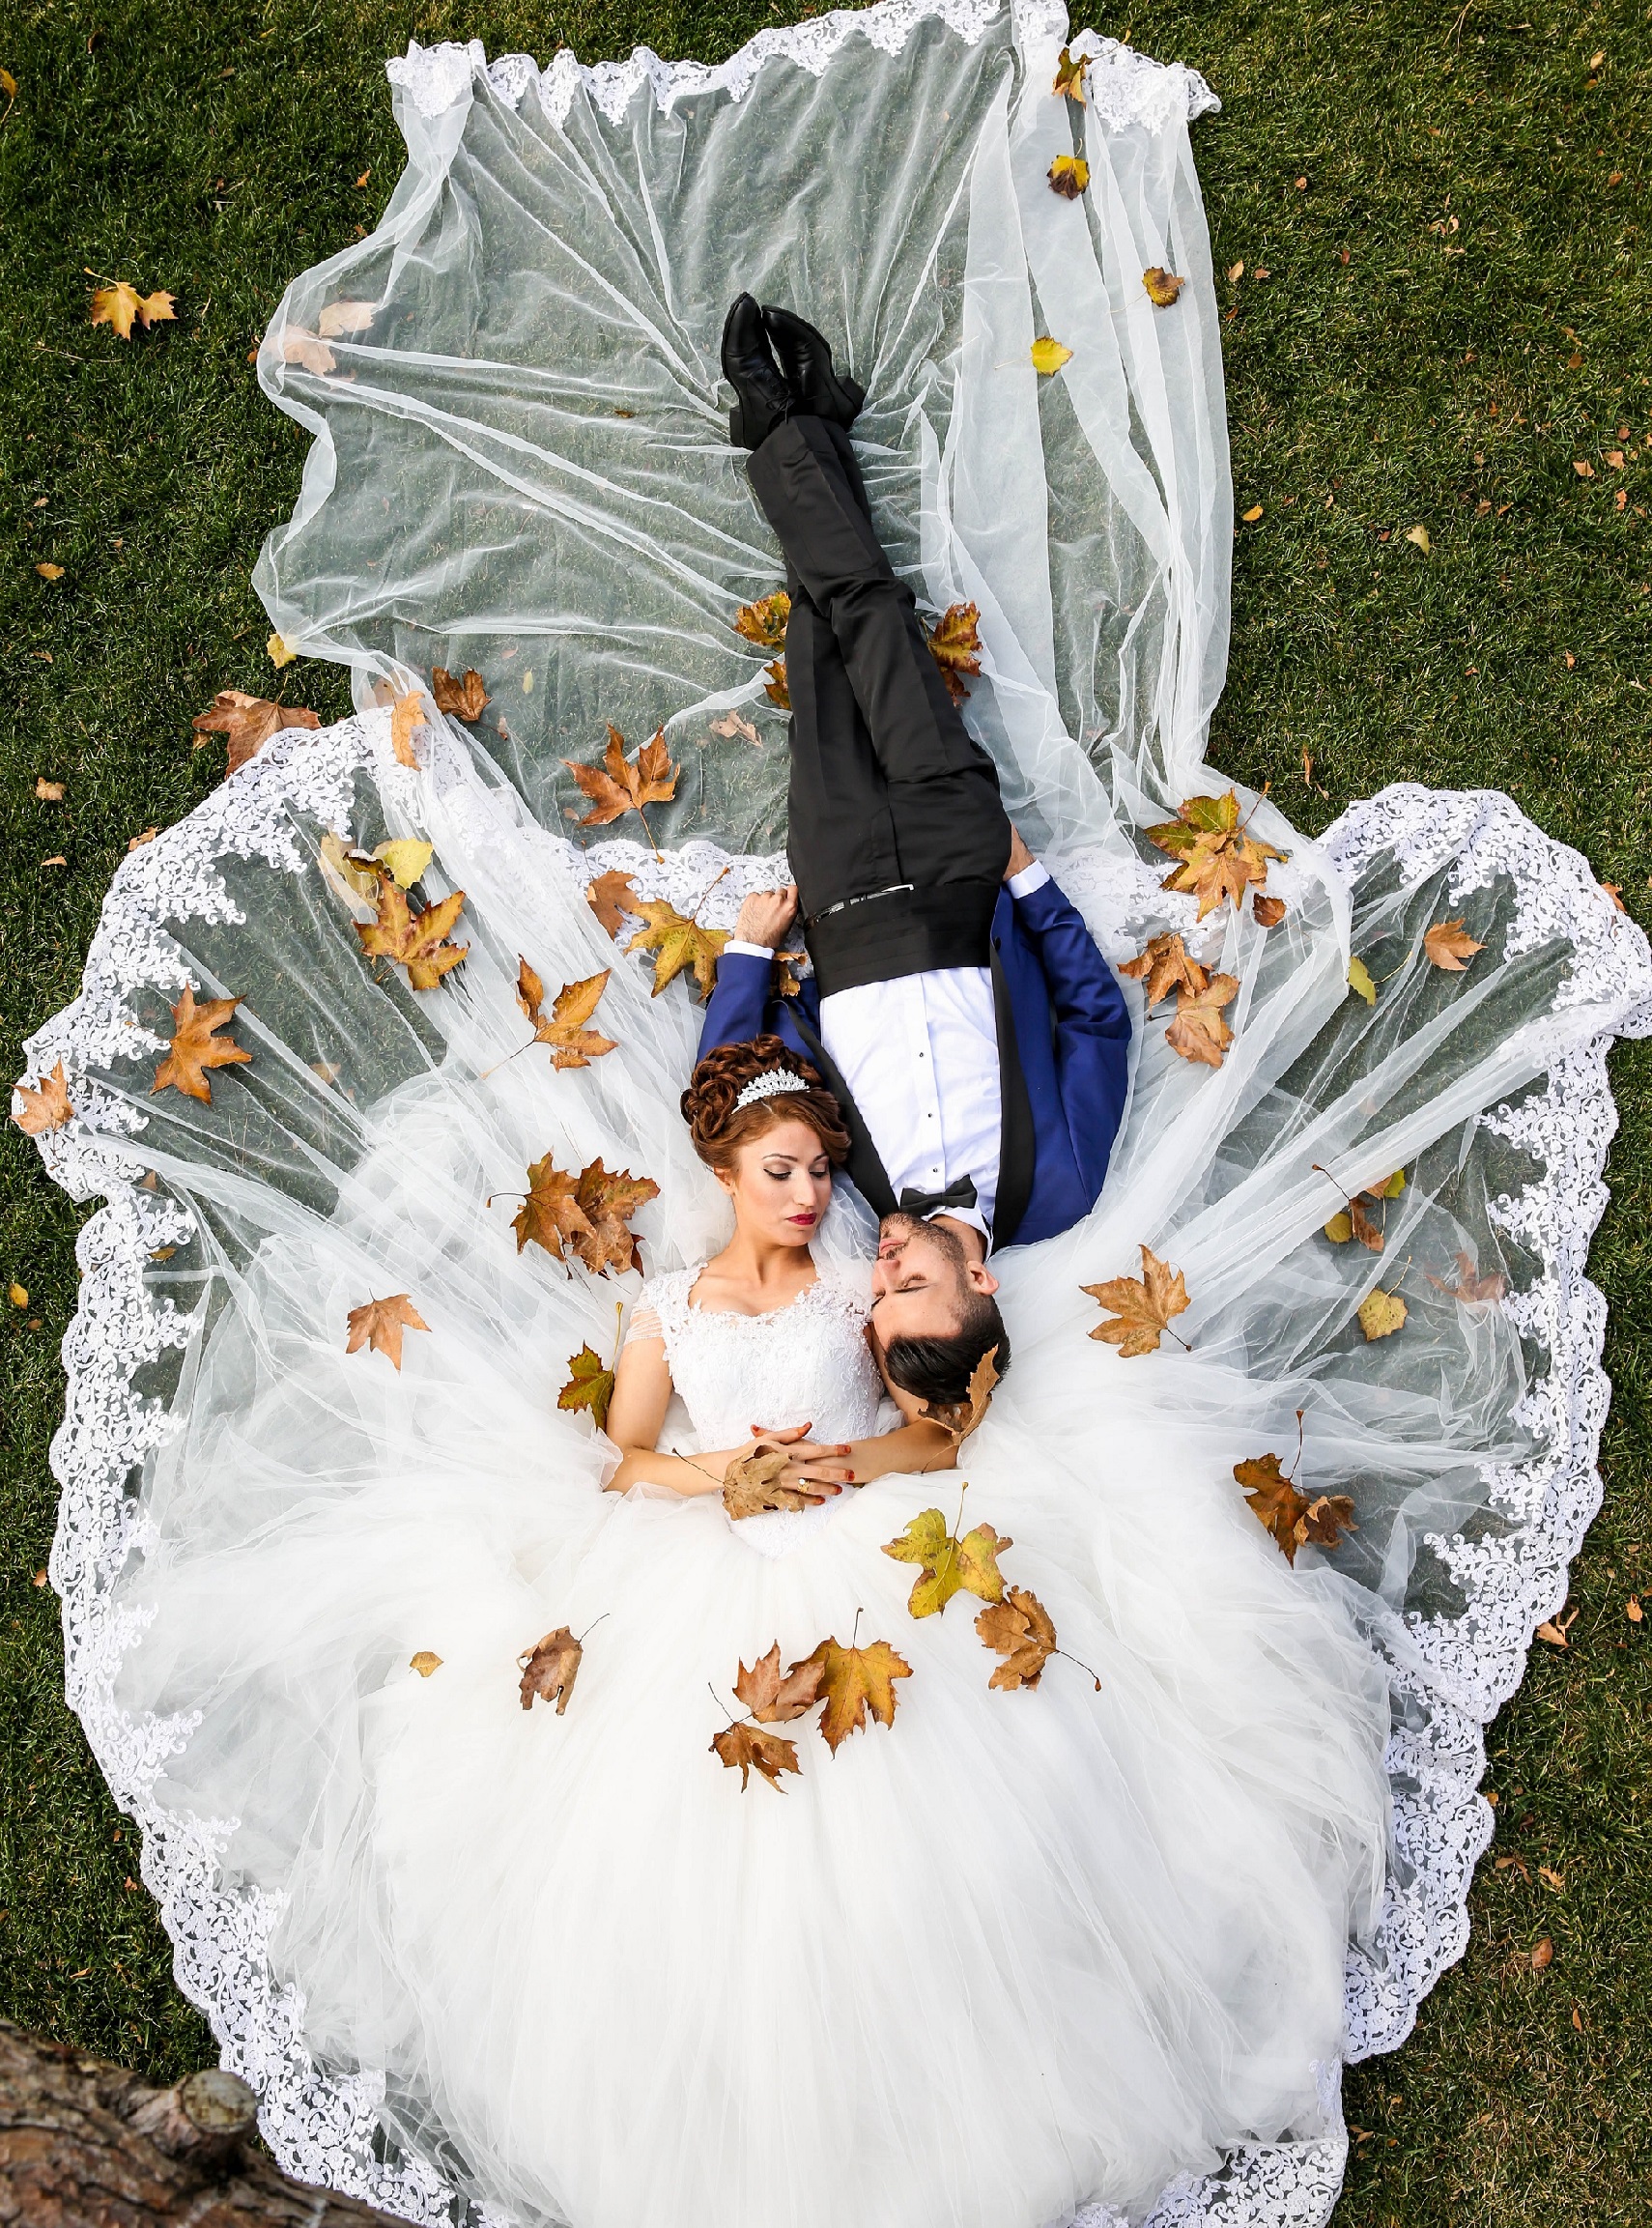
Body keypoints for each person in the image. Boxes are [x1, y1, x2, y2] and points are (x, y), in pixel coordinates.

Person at [698, 296, 1133, 1410]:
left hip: (838, 896)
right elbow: (1093, 1016)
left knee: (821, 639)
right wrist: (1025, 879)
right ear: (978, 1276)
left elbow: (736, 1097)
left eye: (880, 1293)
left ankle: (808, 424)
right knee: (875, 624)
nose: (884, 1268)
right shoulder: (1062, 1183)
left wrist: (749, 963)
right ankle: (778, 415)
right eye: (915, 1282)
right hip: (957, 867)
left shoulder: (840, 1205)